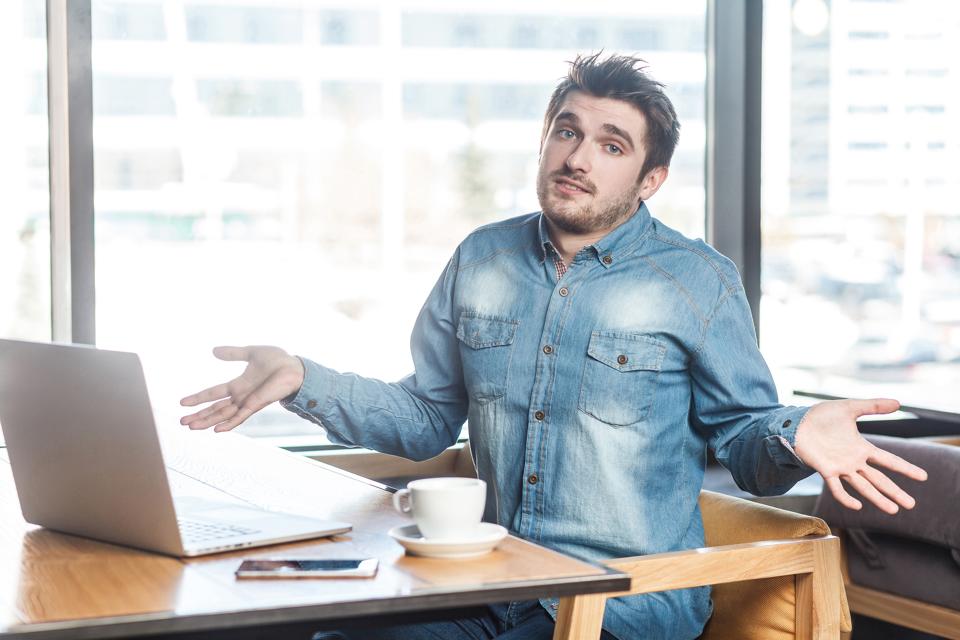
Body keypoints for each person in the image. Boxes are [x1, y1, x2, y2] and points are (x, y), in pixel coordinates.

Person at [180, 53, 927, 640]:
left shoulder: (698, 281)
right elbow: (425, 417)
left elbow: (747, 446)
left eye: (611, 144)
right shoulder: (482, 258)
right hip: (493, 579)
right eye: (567, 132)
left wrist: (798, 430)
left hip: (629, 603)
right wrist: (304, 378)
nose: (579, 157)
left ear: (650, 177)